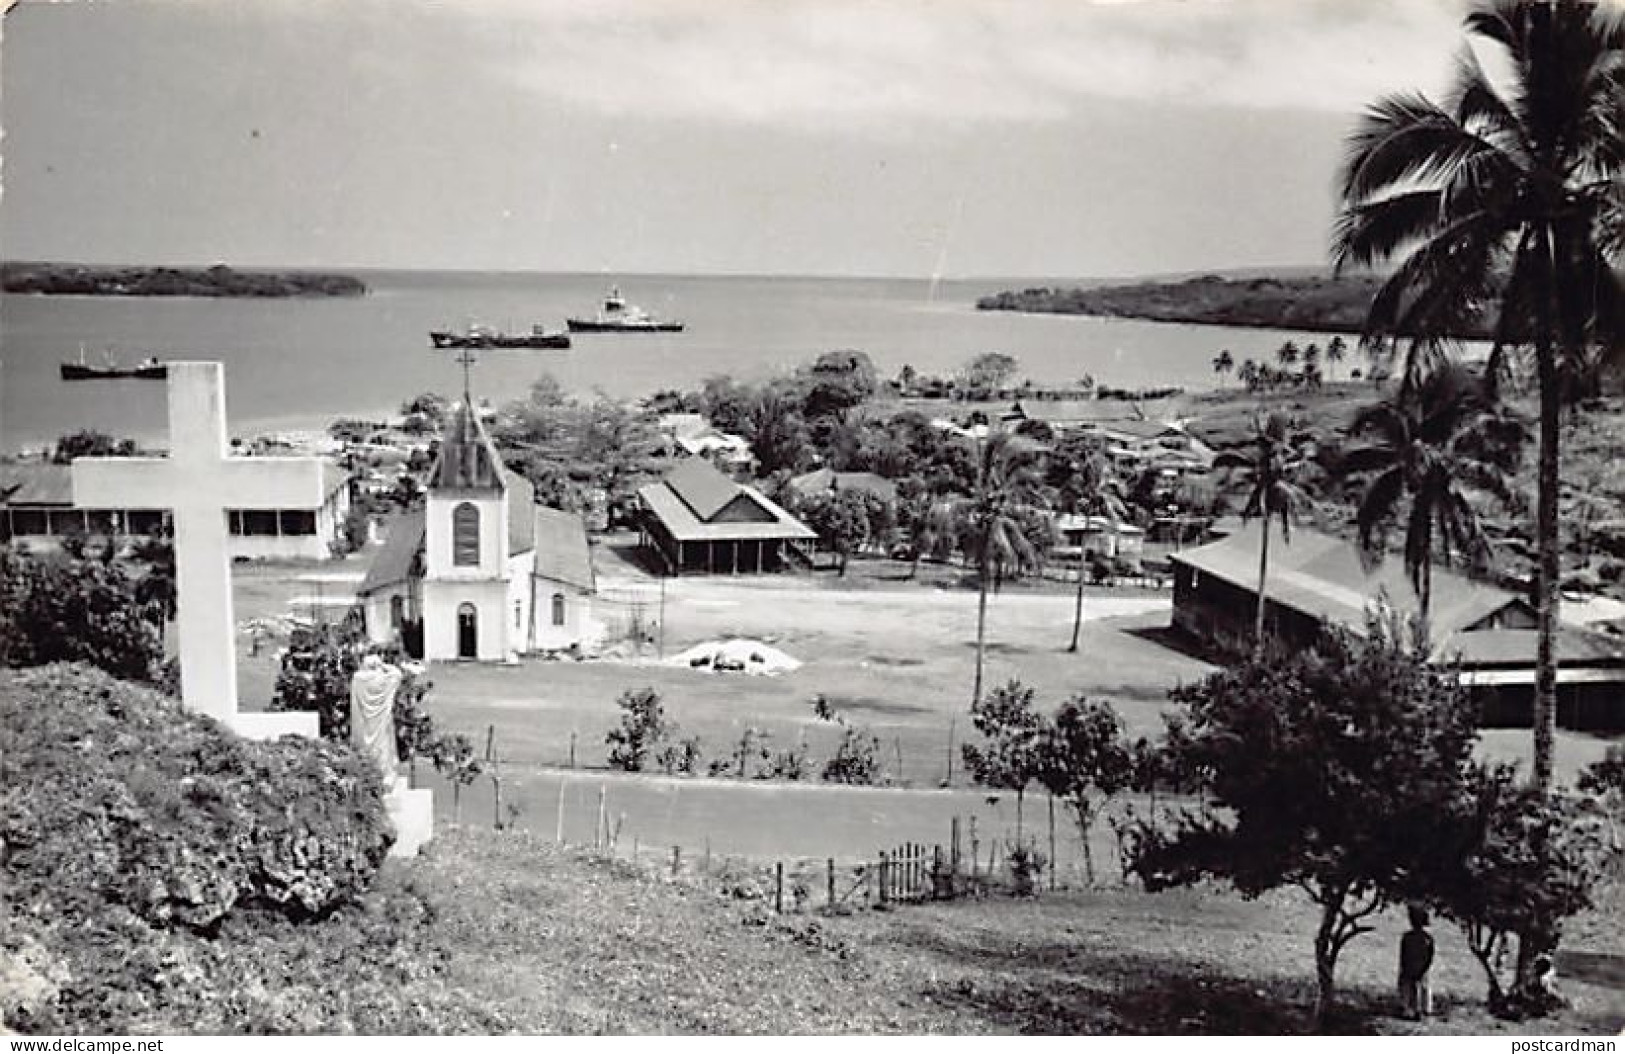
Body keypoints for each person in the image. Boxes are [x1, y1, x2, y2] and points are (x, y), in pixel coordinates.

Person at [1398, 904, 1436, 1020]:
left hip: (1412, 966)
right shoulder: (1427, 938)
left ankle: (1410, 1009)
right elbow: (1430, 955)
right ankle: (1420, 1010)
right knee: (1420, 987)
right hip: (1420, 966)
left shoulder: (1408, 937)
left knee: (1410, 987)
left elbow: (1403, 954)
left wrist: (1405, 967)